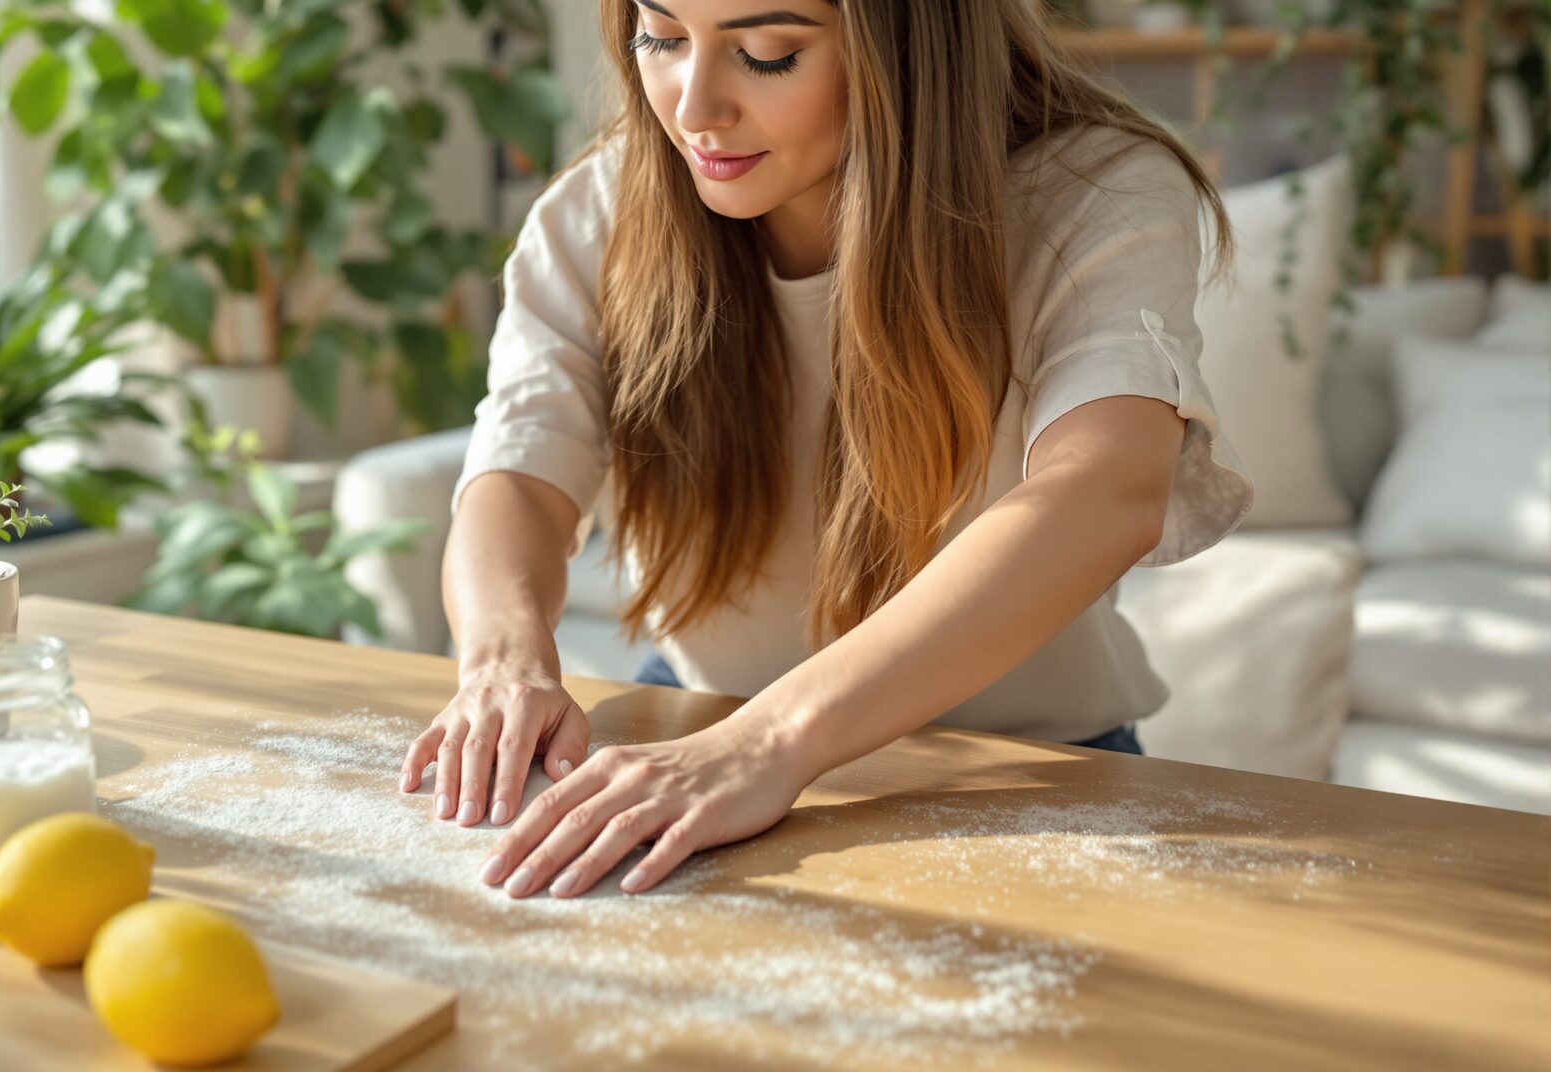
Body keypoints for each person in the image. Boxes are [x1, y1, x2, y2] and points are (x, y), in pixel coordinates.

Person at [395, 0, 1255, 901]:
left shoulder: (1096, 191)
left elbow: (1105, 490)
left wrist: (768, 743)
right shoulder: (596, 213)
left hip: (1028, 772)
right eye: (662, 38)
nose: (694, 108)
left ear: (910, 46)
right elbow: (520, 470)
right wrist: (505, 662)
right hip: (700, 728)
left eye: (767, 53)